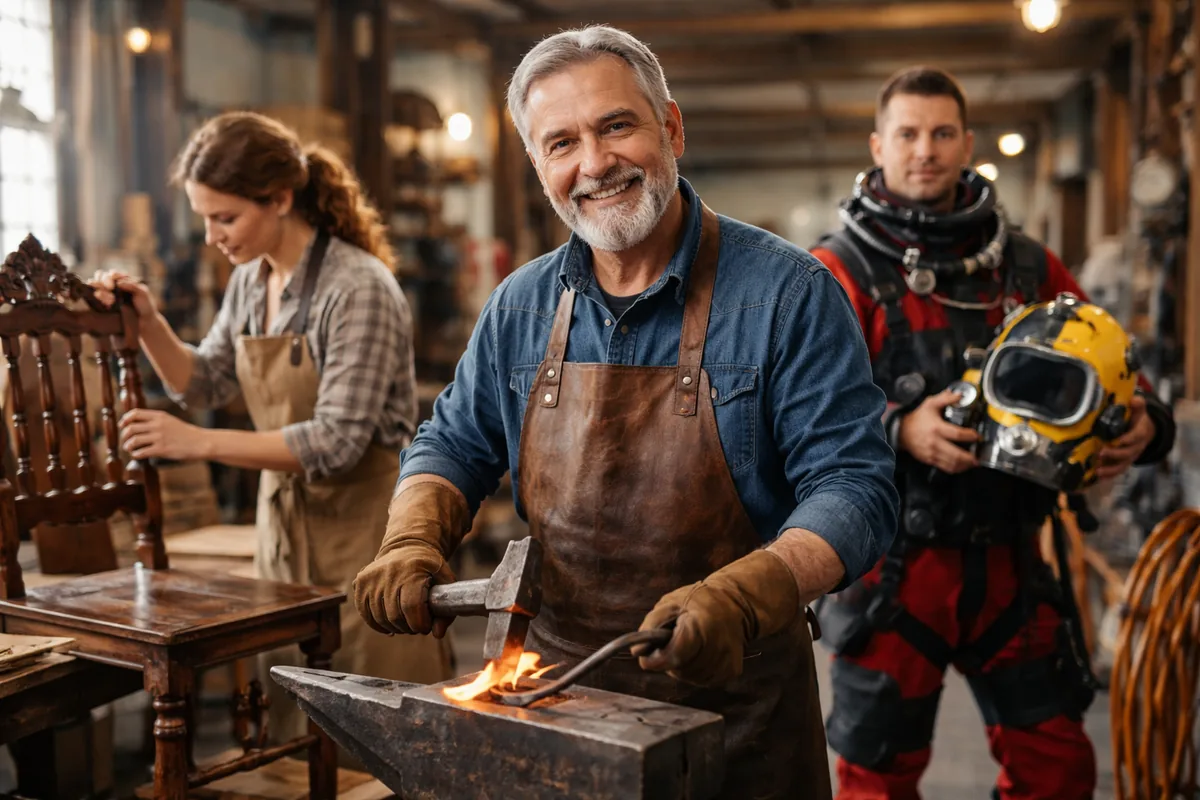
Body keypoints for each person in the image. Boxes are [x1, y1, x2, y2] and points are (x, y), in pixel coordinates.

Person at [351, 24, 899, 799]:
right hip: (553, 704)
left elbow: (857, 489)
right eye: (562, 142)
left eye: (616, 126)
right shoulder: (521, 305)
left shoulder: (788, 294)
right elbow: (452, 441)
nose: (595, 163)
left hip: (734, 722)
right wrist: (411, 538)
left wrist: (747, 595)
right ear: (538, 164)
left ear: (670, 127)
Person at [809, 67, 1177, 800]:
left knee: (1058, 769)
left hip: (1013, 558)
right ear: (878, 144)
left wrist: (1144, 423)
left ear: (967, 143)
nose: (926, 150)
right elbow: (798, 417)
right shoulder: (834, 272)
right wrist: (897, 427)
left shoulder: (1028, 266)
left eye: (942, 133)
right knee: (874, 783)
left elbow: (1110, 365)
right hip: (894, 573)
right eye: (908, 134)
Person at [89, 112, 454, 743]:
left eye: (225, 218)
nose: (211, 236)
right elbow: (206, 381)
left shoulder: (358, 287)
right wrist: (147, 322)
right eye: (204, 218)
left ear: (280, 199)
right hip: (283, 532)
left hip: (363, 536)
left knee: (374, 726)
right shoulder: (251, 282)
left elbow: (336, 442)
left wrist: (197, 441)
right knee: (294, 720)